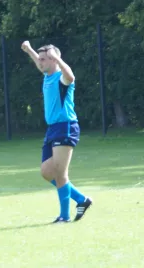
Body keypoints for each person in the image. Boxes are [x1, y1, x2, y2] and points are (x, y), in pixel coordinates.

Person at [21, 41, 93, 223]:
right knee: (46, 171)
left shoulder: (61, 78)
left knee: (60, 173)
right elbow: (39, 61)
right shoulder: (47, 76)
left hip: (65, 127)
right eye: (41, 59)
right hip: (53, 129)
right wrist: (29, 50)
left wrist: (58, 58)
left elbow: (72, 77)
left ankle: (64, 216)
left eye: (45, 59)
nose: (40, 62)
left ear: (54, 60)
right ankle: (81, 200)